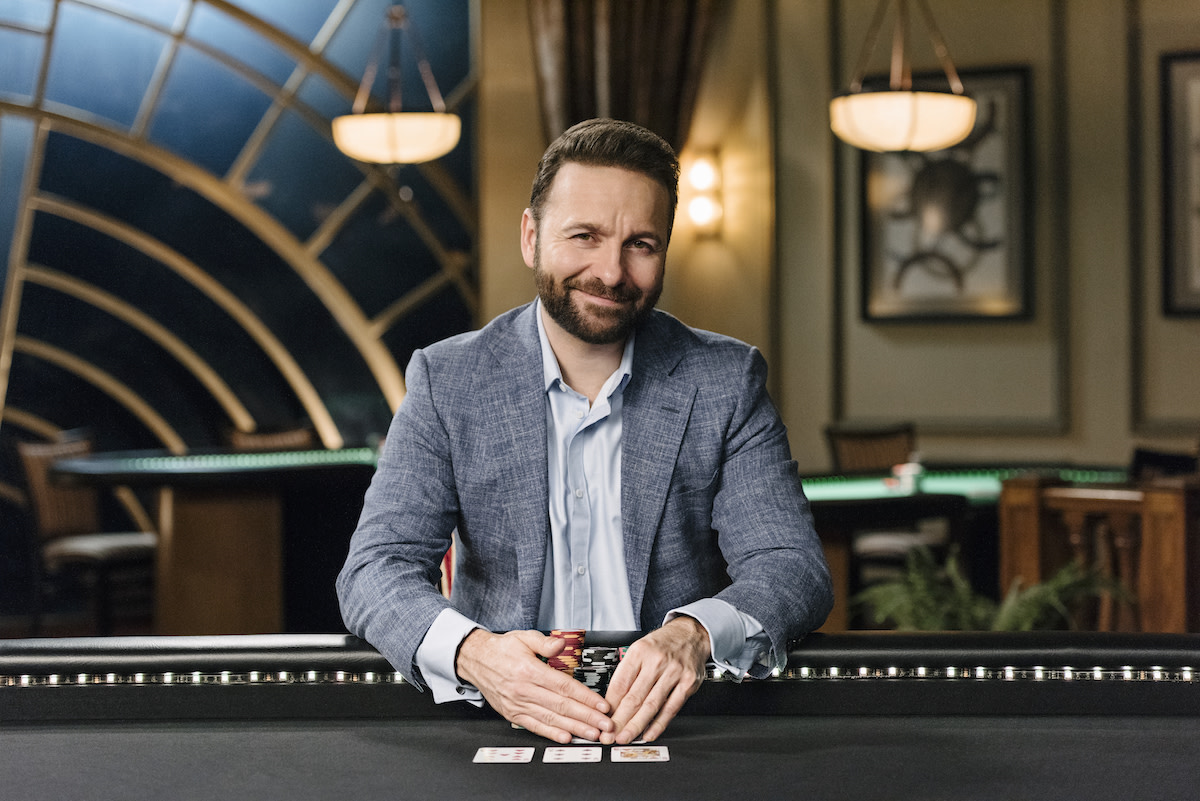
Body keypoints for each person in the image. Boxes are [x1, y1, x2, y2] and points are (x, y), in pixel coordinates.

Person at [337, 118, 832, 746]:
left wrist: (693, 635)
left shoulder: (726, 380)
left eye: (641, 244)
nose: (611, 271)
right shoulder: (448, 379)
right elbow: (375, 569)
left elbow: (791, 567)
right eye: (585, 236)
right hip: (496, 720)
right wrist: (477, 656)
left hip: (678, 727)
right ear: (531, 236)